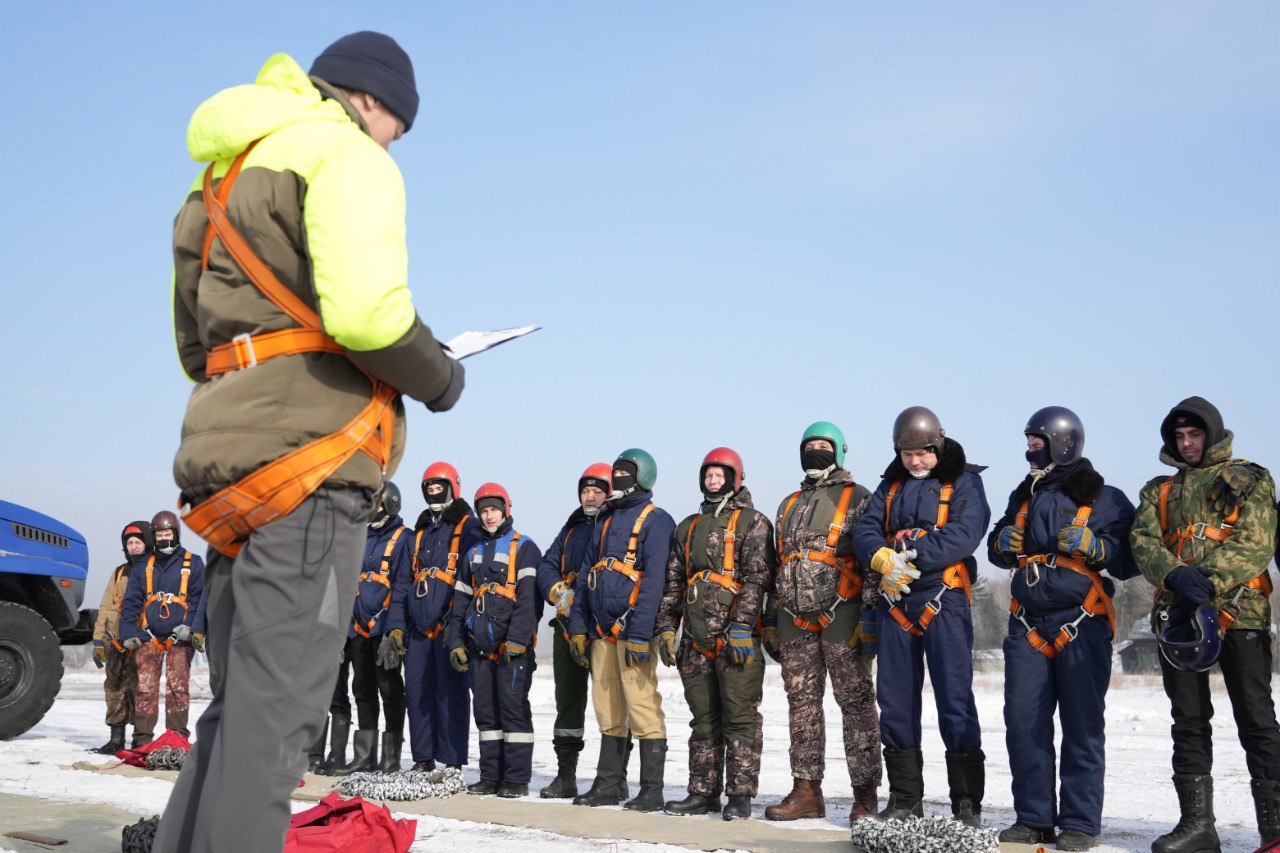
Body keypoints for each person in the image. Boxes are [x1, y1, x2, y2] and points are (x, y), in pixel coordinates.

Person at [156, 30, 464, 852]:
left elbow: (194, 346)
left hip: (226, 468)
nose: (397, 140)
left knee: (234, 715)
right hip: (309, 469)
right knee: (279, 725)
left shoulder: (218, 175)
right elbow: (368, 315)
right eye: (400, 123)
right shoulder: (347, 155)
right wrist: (439, 375)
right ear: (372, 100)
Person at [1130, 397, 1280, 851]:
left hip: (1242, 614)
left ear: (1211, 434)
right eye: (1179, 436)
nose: (1187, 443)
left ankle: (1275, 831)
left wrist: (1208, 581)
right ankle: (1198, 826)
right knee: (1188, 720)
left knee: (1256, 719)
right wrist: (1175, 575)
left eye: (1195, 434)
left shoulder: (1251, 479)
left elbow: (1258, 541)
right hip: (1178, 618)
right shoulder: (1157, 491)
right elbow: (1142, 540)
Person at [987, 407, 1137, 851]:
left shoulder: (1106, 497)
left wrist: (1099, 546)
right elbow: (996, 548)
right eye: (1029, 442)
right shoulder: (1024, 495)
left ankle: (1080, 822)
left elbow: (1130, 560)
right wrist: (1001, 542)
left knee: (1082, 724)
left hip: (1081, 622)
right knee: (1023, 722)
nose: (1030, 450)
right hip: (1027, 624)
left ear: (1063, 442)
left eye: (1037, 442)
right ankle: (1033, 819)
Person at [852, 406, 990, 826]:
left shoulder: (964, 481)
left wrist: (907, 556)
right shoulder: (889, 487)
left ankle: (966, 803)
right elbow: (865, 529)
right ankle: (905, 798)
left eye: (923, 453)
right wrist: (878, 557)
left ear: (938, 446)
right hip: (896, 602)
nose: (915, 461)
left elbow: (965, 533)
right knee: (894, 702)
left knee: (954, 699)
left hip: (943, 600)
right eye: (907, 453)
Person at [766, 422, 880, 825]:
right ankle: (806, 791)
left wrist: (869, 616)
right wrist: (769, 619)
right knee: (801, 705)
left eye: (822, 446)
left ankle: (865, 796)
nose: (815, 452)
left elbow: (871, 560)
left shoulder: (859, 497)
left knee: (856, 704)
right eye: (808, 446)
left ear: (839, 452)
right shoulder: (788, 502)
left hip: (842, 612)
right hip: (792, 617)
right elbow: (775, 563)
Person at [657, 448, 774, 821]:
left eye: (720, 474)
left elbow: (758, 579)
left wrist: (742, 625)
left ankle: (739, 796)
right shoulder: (686, 526)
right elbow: (674, 582)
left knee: (740, 717)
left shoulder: (753, 522)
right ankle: (702, 792)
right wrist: (665, 627)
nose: (712, 479)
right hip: (694, 640)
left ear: (735, 478)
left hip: (736, 638)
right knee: (703, 720)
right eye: (707, 474)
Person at [569, 448, 676, 812]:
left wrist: (642, 633)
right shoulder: (604, 520)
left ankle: (651, 789)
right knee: (607, 708)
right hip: (600, 631)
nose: (617, 479)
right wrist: (579, 628)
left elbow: (655, 582)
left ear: (643, 477)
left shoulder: (656, 520)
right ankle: (607, 785)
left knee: (643, 705)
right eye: (615, 473)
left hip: (633, 631)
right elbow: (586, 576)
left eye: (625, 473)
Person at [446, 483, 542, 798]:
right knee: (485, 713)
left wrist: (517, 640)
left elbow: (530, 601)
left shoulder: (523, 546)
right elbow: (459, 603)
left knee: (512, 709)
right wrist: (456, 641)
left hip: (512, 650)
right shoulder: (472, 553)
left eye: (494, 510)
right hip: (479, 649)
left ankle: (515, 779)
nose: (489, 516)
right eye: (483, 511)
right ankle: (490, 776)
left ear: (505, 510)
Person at [384, 462, 480, 773]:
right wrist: (396, 627)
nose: (434, 492)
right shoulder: (418, 532)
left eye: (440, 487)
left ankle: (451, 760)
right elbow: (402, 582)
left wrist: (457, 628)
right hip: (416, 630)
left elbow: (470, 580)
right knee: (417, 693)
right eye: (430, 488)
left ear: (454, 487)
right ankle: (423, 758)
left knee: (450, 694)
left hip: (449, 627)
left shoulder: (469, 528)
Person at [535, 463, 612, 799]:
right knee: (568, 703)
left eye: (596, 490)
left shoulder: (616, 525)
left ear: (609, 493)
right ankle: (566, 776)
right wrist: (557, 592)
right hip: (566, 627)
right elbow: (547, 565)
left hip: (604, 629)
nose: (590, 496)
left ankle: (614, 777)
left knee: (611, 705)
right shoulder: (571, 528)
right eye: (585, 490)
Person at [342, 482, 412, 773]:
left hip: (385, 629)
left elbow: (402, 586)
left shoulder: (404, 538)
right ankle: (364, 756)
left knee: (390, 690)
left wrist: (394, 630)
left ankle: (391, 757)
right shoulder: (362, 536)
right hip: (358, 628)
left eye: (377, 504)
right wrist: (346, 628)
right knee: (362, 689)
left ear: (390, 504)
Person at [119, 511, 205, 747]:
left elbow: (200, 599)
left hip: (180, 637)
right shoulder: (143, 566)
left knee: (178, 689)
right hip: (148, 636)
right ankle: (142, 741)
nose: (164, 539)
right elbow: (131, 602)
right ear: (153, 537)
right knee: (145, 689)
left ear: (176, 533)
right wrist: (127, 632)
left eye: (168, 534)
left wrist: (193, 628)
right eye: (159, 535)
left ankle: (176, 739)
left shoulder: (193, 562)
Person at [90, 520, 151, 754]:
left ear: (147, 543)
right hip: (116, 643)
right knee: (114, 688)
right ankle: (116, 739)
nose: (133, 546)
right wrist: (99, 640)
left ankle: (140, 739)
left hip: (142, 641)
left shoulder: (154, 571)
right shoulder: (119, 573)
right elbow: (106, 607)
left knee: (140, 690)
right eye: (129, 543)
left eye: (138, 542)